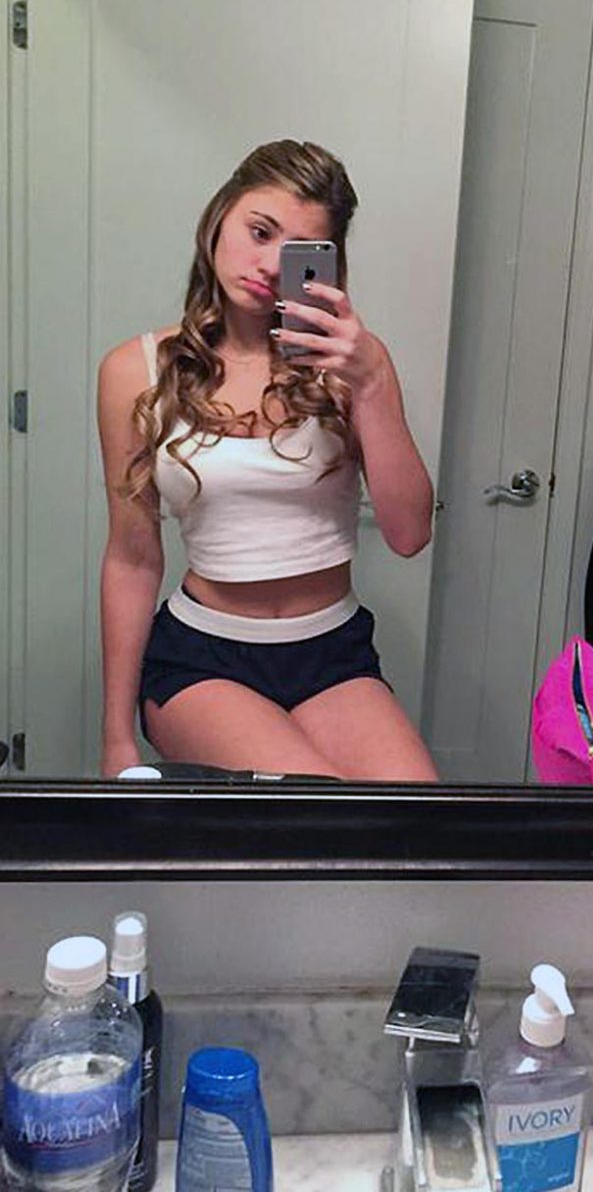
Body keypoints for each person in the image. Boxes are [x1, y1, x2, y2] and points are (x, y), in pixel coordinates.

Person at [97, 139, 439, 782]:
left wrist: (372, 384)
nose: (269, 264)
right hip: (202, 658)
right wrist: (116, 735)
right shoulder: (135, 370)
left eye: (298, 250)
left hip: (332, 652)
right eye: (259, 231)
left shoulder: (352, 364)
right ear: (218, 218)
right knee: (308, 812)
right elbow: (132, 557)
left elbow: (409, 534)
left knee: (412, 813)